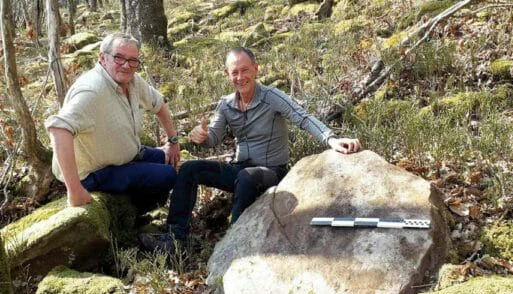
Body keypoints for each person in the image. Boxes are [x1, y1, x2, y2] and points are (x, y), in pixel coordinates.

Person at [141, 47, 360, 251]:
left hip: (271, 172)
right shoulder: (225, 105)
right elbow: (213, 138)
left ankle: (233, 243)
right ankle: (175, 238)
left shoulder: (271, 97)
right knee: (189, 169)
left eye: (245, 70)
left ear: (255, 69)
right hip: (239, 169)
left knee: (246, 177)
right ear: (228, 75)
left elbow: (302, 117)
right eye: (234, 72)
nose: (240, 77)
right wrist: (202, 136)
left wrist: (330, 139)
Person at [45, 33, 179, 211]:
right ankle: (135, 215)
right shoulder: (91, 90)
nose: (126, 65)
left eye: (132, 60)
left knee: (167, 159)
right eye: (119, 57)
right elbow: (58, 129)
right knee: (168, 175)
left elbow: (159, 104)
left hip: (125, 157)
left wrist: (173, 141)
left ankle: (143, 209)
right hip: (94, 172)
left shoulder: (132, 81)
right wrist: (74, 190)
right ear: (102, 58)